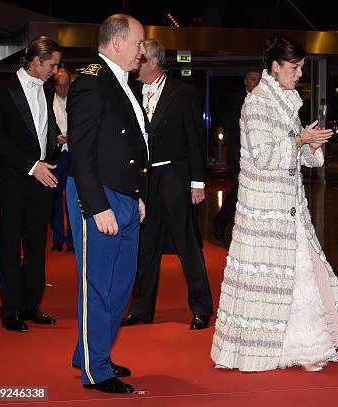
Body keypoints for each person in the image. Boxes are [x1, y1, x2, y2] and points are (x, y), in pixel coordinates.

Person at [210, 35, 338, 372]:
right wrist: (299, 139)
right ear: (275, 67)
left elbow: (297, 155)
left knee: (299, 274)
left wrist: (311, 144)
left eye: (302, 67)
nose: (300, 73)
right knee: (270, 278)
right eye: (295, 67)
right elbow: (263, 156)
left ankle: (304, 346)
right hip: (264, 208)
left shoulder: (287, 100)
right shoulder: (258, 102)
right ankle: (262, 349)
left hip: (290, 204)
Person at [66, 14, 148, 394]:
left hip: (125, 195)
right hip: (98, 194)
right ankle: (95, 368)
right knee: (98, 285)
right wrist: (97, 206)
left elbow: (127, 145)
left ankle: (93, 351)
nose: (142, 51)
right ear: (117, 43)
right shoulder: (92, 82)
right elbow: (81, 152)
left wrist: (136, 195)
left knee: (120, 284)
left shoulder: (119, 82)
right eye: (138, 43)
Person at [121, 39, 213, 329]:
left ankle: (202, 307)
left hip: (174, 177)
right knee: (145, 247)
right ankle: (140, 309)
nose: (136, 64)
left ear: (153, 61)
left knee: (187, 245)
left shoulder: (182, 93)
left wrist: (197, 183)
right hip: (144, 181)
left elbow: (196, 140)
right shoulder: (133, 93)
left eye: (140, 58)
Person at [0, 35, 61, 332]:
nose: (55, 71)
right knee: (9, 246)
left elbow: (41, 129)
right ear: (35, 62)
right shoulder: (3, 90)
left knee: (35, 245)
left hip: (43, 180)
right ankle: (10, 310)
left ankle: (31, 305)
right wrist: (32, 166)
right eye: (52, 65)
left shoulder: (46, 90)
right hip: (15, 180)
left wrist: (50, 150)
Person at [213, 69, 261, 245]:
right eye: (252, 79)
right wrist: (236, 157)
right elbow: (231, 130)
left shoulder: (265, 100)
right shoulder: (235, 100)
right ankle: (220, 222)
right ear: (245, 81)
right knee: (239, 191)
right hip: (241, 155)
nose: (255, 82)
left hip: (260, 156)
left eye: (258, 79)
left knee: (247, 193)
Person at [50, 68, 74, 253]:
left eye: (66, 85)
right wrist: (56, 138)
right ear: (55, 85)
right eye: (60, 85)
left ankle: (72, 240)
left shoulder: (77, 101)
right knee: (56, 199)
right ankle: (58, 238)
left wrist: (71, 137)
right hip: (57, 156)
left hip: (74, 155)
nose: (63, 89)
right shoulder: (48, 102)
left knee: (73, 199)